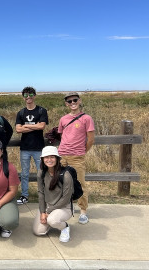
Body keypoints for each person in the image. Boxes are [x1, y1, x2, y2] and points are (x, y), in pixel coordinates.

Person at [58, 92, 95, 224]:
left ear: (79, 101)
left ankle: (83, 211)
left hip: (77, 156)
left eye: (74, 100)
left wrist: (82, 151)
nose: (72, 103)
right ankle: (64, 206)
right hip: (62, 154)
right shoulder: (63, 119)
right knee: (61, 182)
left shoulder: (86, 118)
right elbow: (63, 135)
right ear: (66, 104)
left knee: (80, 183)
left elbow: (90, 139)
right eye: (69, 101)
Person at [15, 86, 48, 205]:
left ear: (34, 96)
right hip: (25, 148)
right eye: (25, 95)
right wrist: (35, 126)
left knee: (42, 172)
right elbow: (18, 129)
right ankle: (24, 195)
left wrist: (26, 126)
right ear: (23, 97)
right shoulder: (21, 112)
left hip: (39, 148)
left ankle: (44, 195)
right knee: (24, 174)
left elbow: (42, 126)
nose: (28, 97)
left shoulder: (41, 111)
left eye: (30, 95)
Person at [33, 146, 73, 243]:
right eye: (46, 157)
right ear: (42, 159)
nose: (49, 160)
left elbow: (66, 198)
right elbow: (41, 193)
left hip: (63, 207)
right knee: (38, 231)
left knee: (52, 220)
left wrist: (48, 212)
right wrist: (43, 212)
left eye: (52, 157)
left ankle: (64, 227)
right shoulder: (41, 173)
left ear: (57, 158)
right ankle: (52, 221)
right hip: (47, 206)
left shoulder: (66, 175)